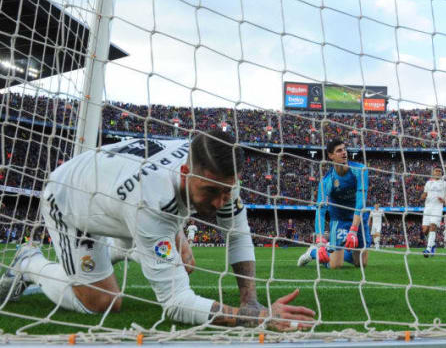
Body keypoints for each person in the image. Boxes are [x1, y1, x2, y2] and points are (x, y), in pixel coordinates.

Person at [0, 130, 315, 330]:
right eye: (210, 192)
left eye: (226, 192)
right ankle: (30, 263)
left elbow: (238, 231)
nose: (221, 202)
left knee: (185, 262)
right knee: (103, 303)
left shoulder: (217, 173)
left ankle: (133, 247)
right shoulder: (151, 203)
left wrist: (250, 301)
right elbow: (176, 304)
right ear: (185, 172)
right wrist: (258, 319)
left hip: (116, 190)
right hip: (71, 200)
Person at [297, 139, 370, 269]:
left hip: (358, 218)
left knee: (361, 264)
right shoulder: (326, 181)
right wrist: (319, 240)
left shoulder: (360, 170)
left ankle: (339, 248)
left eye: (344, 149)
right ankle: (313, 252)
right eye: (339, 150)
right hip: (340, 219)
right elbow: (320, 210)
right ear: (331, 156)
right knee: (335, 265)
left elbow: (361, 200)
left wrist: (353, 230)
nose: (344, 153)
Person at [421, 167, 446, 258]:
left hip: (437, 208)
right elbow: (424, 194)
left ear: (441, 173)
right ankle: (432, 244)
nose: (438, 172)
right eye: (436, 171)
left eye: (439, 171)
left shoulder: (445, 184)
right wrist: (422, 196)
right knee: (425, 230)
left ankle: (428, 249)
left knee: (433, 226)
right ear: (433, 173)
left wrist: (444, 200)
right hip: (427, 208)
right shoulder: (428, 183)